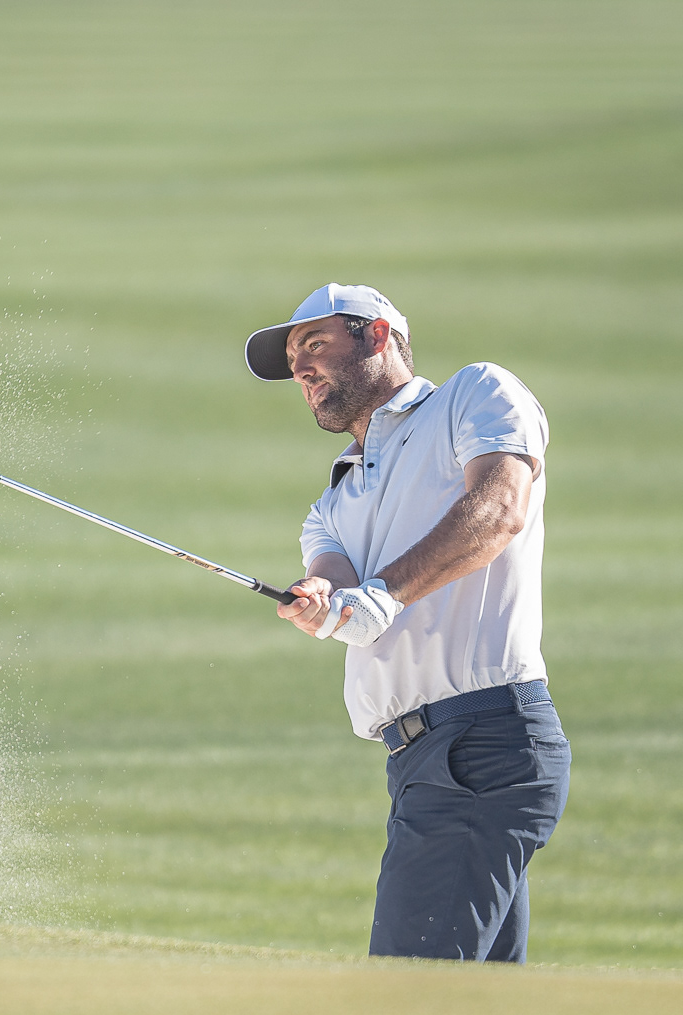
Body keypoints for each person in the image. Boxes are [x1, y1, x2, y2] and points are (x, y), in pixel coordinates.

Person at [244, 283, 571, 963]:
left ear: (379, 337)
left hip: (482, 741)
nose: (300, 369)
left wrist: (382, 597)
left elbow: (498, 509)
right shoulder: (333, 496)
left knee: (406, 993)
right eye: (292, 361)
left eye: (315, 345)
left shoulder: (474, 395)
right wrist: (321, 601)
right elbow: (330, 575)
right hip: (420, 763)